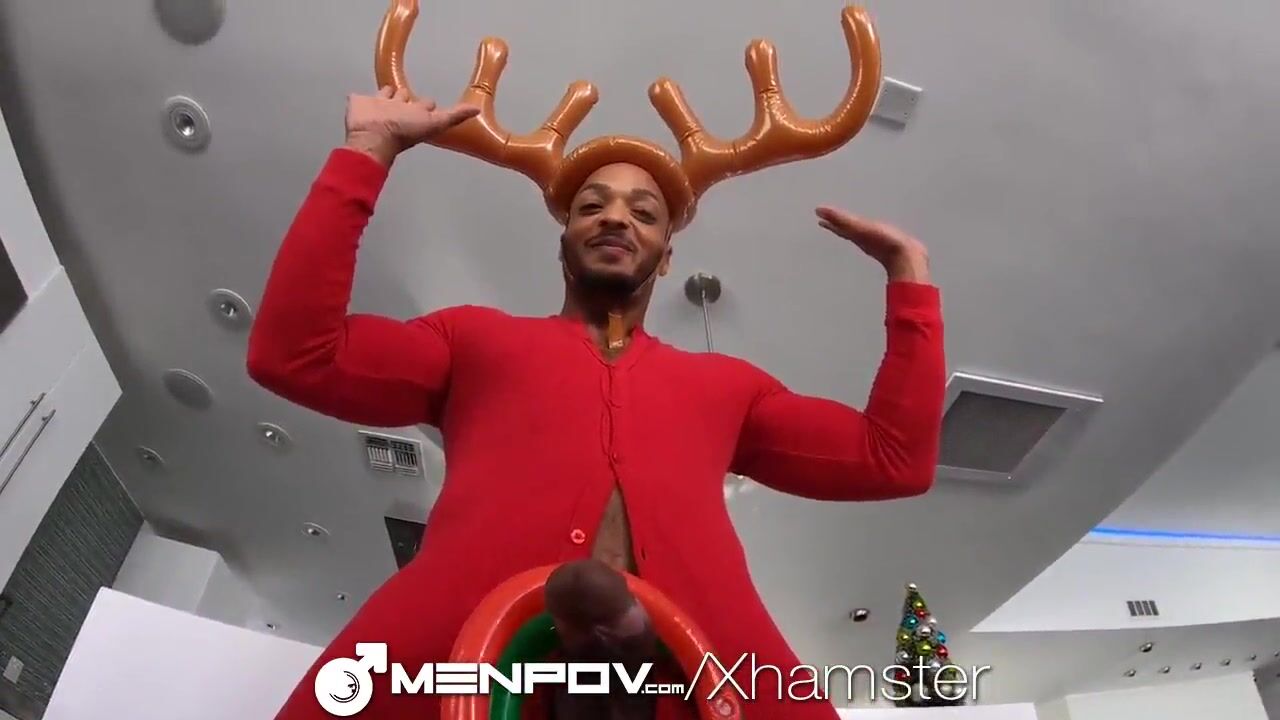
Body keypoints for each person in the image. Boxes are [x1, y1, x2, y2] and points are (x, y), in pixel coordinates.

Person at [249, 66, 943, 720]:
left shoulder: (730, 387)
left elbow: (893, 461)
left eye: (644, 212)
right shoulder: (472, 340)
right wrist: (368, 151)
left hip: (706, 671)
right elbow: (296, 355)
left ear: (667, 257)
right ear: (563, 243)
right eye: (592, 206)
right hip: (451, 655)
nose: (616, 218)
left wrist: (909, 275)